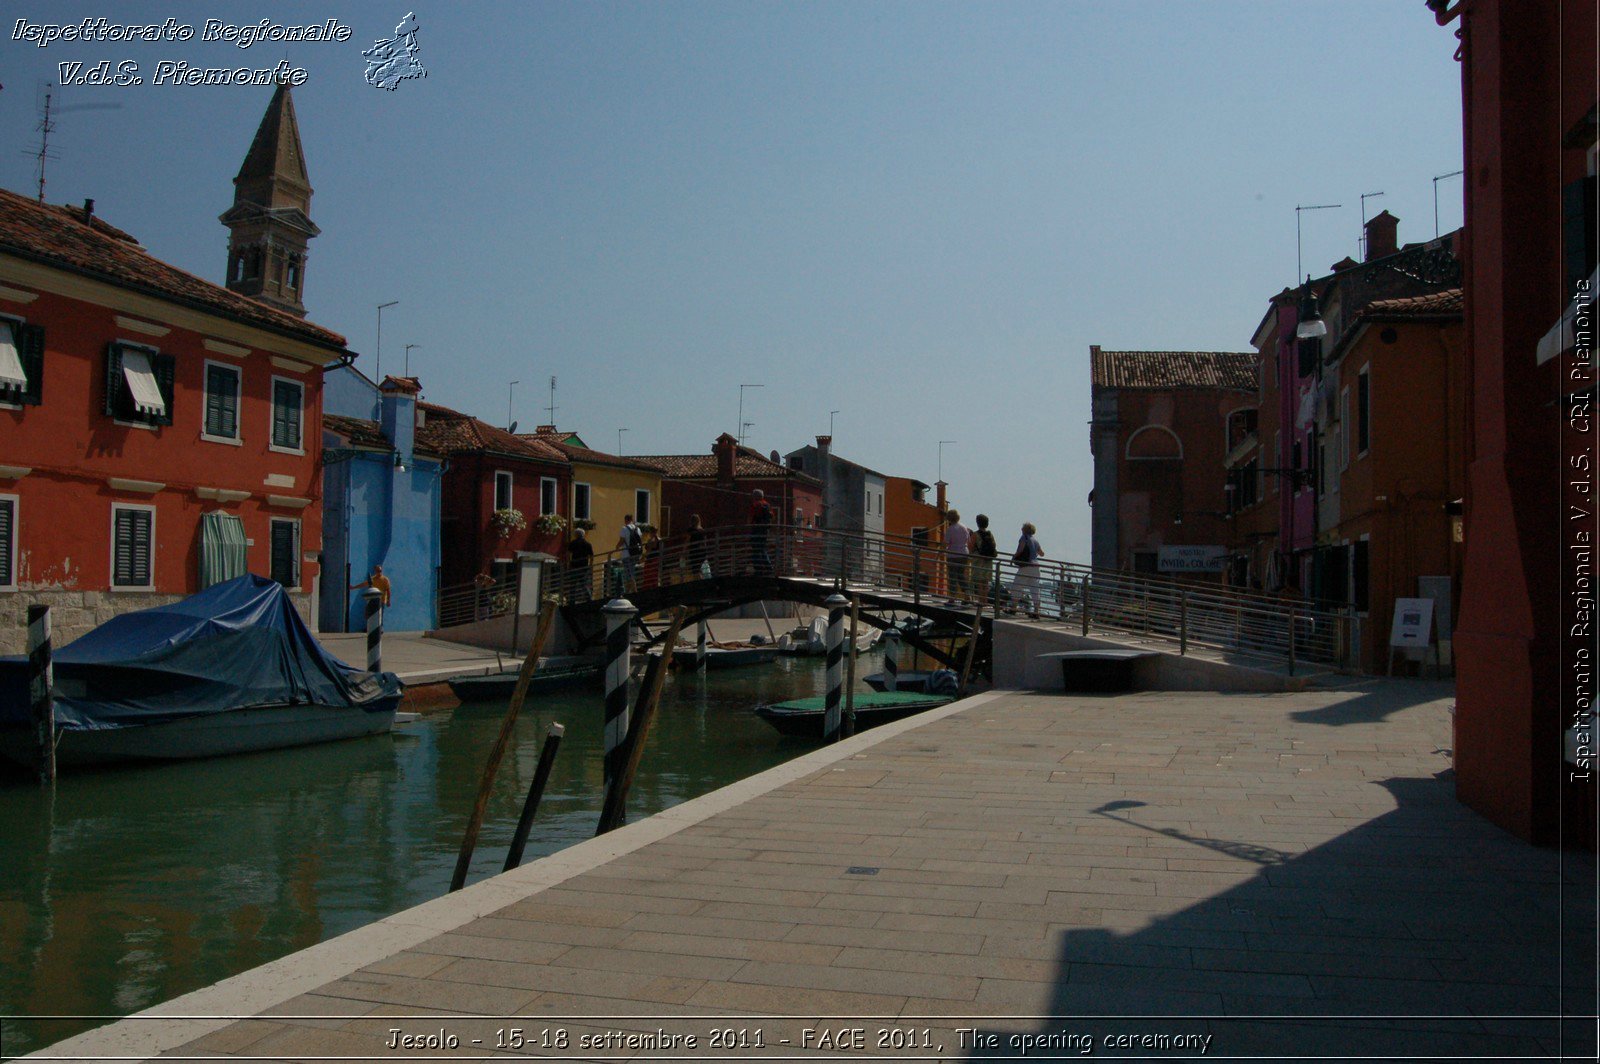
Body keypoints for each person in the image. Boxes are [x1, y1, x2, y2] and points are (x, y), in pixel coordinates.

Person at [1007, 522, 1045, 617]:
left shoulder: (1024, 537)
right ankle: (1036, 611)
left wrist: (1013, 558)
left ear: (1025, 530)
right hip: (1036, 566)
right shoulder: (1035, 540)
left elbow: (1020, 549)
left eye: (1022, 528)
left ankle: (1013, 608)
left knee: (1017, 586)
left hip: (1026, 566)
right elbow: (1042, 553)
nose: (1021, 529)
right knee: (1034, 589)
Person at [943, 509, 971, 604]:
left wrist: (940, 552)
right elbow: (968, 540)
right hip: (964, 553)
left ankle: (952, 598)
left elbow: (946, 542)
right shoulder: (964, 527)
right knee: (961, 575)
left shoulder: (950, 529)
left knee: (952, 576)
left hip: (953, 554)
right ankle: (967, 595)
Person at [969, 514, 998, 606]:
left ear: (978, 523)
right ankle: (985, 600)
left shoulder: (975, 534)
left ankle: (981, 601)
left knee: (979, 581)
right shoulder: (990, 534)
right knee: (985, 582)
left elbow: (970, 547)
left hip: (978, 559)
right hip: (988, 560)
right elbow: (994, 546)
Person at [749, 489, 775, 576]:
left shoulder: (756, 505)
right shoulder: (767, 505)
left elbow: (752, 517)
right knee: (762, 549)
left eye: (753, 496)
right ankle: (768, 568)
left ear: (756, 496)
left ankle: (759, 569)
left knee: (756, 551)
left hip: (756, 531)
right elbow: (771, 516)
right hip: (764, 531)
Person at [615, 515, 643, 592]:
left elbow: (622, 540)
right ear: (632, 519)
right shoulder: (638, 529)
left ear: (626, 520)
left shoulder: (624, 529)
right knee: (631, 572)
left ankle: (634, 591)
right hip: (635, 554)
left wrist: (617, 547)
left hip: (627, 554)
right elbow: (640, 540)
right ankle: (628, 590)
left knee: (629, 573)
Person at [565, 529, 594, 602]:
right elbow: (591, 556)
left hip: (574, 566)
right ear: (583, 535)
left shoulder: (573, 543)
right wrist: (590, 565)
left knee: (573, 585)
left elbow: (568, 554)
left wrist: (568, 563)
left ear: (576, 535)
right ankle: (589, 599)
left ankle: (572, 601)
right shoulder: (588, 544)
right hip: (584, 567)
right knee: (584, 584)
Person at [686, 514, 710, 579]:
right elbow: (704, 542)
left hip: (694, 552)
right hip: (702, 552)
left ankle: (698, 583)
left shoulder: (690, 530)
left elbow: (687, 541)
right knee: (700, 569)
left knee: (695, 570)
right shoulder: (702, 530)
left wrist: (684, 551)